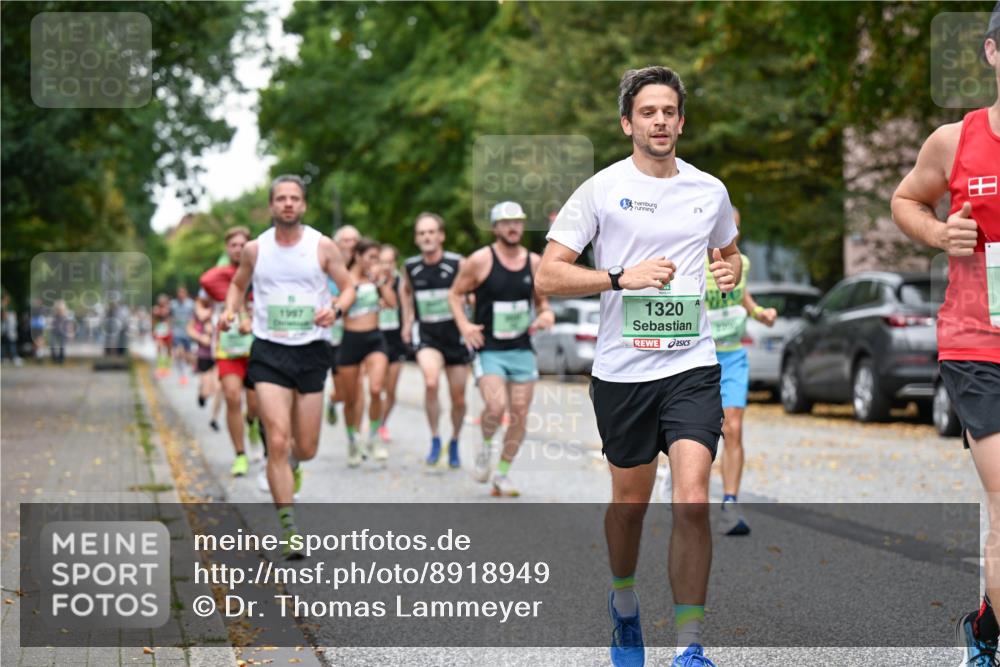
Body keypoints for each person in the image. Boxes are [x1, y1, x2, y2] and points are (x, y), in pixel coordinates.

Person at [536, 66, 740, 667]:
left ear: (682, 121)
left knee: (692, 498)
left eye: (669, 112)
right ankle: (624, 603)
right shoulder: (601, 189)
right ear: (628, 123)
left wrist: (729, 270)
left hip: (692, 366)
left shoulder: (709, 190)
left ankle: (690, 646)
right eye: (648, 112)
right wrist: (620, 277)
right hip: (623, 374)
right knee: (629, 508)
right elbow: (548, 275)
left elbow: (729, 252)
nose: (660, 121)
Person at [890, 7, 1000, 665]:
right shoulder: (955, 141)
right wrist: (939, 232)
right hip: (978, 346)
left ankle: (986, 624)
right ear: (992, 52)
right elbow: (906, 200)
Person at [221, 175, 354, 558]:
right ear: (271, 206)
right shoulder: (255, 249)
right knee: (277, 439)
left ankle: (294, 463)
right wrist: (231, 310)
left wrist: (336, 309)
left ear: (304, 205)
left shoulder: (322, 246)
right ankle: (289, 528)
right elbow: (238, 285)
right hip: (269, 350)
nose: (288, 203)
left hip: (311, 350)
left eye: (295, 198)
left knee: (305, 447)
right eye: (281, 198)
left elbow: (348, 287)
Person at [660, 208, 778, 533]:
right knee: (694, 431)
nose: (729, 234)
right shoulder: (689, 263)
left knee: (734, 428)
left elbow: (741, 296)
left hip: (732, 356)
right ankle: (678, 474)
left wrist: (759, 313)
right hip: (696, 359)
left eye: (735, 229)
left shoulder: (743, 262)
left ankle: (729, 504)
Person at [448, 201, 555, 496]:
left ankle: (502, 473)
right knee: (495, 408)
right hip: (489, 349)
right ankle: (485, 446)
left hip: (522, 349)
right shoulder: (480, 260)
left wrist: (546, 315)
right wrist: (464, 326)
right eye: (506, 223)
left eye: (517, 222)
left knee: (519, 414)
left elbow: (542, 303)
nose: (513, 227)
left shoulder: (534, 262)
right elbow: (455, 295)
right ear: (495, 228)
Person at [400, 212, 470, 468]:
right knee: (431, 382)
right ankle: (435, 438)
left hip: (455, 336)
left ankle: (455, 440)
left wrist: (469, 310)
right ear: (416, 239)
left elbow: (471, 289)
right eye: (421, 233)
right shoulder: (411, 266)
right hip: (427, 334)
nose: (426, 237)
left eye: (431, 232)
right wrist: (407, 321)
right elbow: (406, 291)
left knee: (458, 398)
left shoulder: (457, 263)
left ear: (441, 236)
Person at [201, 226, 267, 479]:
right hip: (228, 348)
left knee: (255, 404)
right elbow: (205, 281)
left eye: (243, 245)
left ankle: (253, 426)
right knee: (231, 397)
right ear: (226, 248)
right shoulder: (220, 276)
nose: (238, 249)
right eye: (233, 245)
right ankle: (240, 454)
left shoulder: (261, 273)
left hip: (256, 347)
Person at [338, 238, 397, 466]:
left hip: (374, 339)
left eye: (377, 258)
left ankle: (373, 437)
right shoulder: (344, 278)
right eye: (371, 257)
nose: (375, 262)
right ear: (358, 256)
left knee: (375, 389)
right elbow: (337, 307)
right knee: (351, 399)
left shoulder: (376, 279)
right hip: (350, 340)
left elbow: (392, 303)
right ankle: (352, 440)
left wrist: (380, 282)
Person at [327, 225, 361, 427]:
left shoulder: (365, 268)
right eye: (346, 240)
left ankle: (356, 434)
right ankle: (333, 401)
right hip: (334, 336)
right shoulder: (328, 267)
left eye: (354, 240)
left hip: (358, 334)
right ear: (336, 244)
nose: (351, 245)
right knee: (342, 392)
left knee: (359, 387)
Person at [377, 243, 408, 443]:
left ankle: (382, 423)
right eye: (382, 262)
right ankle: (373, 422)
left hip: (396, 340)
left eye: (390, 262)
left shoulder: (401, 282)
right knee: (376, 387)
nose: (386, 266)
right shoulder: (370, 282)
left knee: (391, 389)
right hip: (375, 341)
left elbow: (397, 304)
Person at [187, 291, 219, 410]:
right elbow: (189, 329)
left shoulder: (218, 310)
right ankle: (202, 393)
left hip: (219, 354)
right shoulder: (197, 313)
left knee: (217, 387)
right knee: (206, 391)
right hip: (204, 354)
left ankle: (214, 417)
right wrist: (201, 338)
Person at [170, 286, 196, 385]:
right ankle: (182, 375)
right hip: (177, 332)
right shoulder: (173, 304)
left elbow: (195, 317)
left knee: (188, 354)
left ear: (186, 294)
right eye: (179, 292)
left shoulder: (191, 304)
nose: (181, 294)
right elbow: (170, 317)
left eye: (182, 292)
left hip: (188, 333)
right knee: (178, 352)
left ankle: (191, 366)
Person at [151, 294, 173, 377]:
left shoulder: (169, 309)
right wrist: (153, 330)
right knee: (159, 347)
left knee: (169, 349)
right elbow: (153, 320)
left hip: (167, 330)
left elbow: (171, 319)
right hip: (159, 330)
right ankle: (160, 367)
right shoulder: (155, 309)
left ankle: (167, 367)